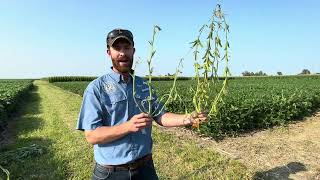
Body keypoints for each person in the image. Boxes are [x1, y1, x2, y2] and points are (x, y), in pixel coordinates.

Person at [77, 28, 207, 180]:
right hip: (111, 173)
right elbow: (92, 136)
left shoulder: (145, 85)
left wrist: (188, 118)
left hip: (145, 170)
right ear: (109, 53)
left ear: (133, 50)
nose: (122, 53)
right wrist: (128, 126)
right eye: (117, 48)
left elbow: (161, 116)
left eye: (126, 47)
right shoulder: (96, 88)